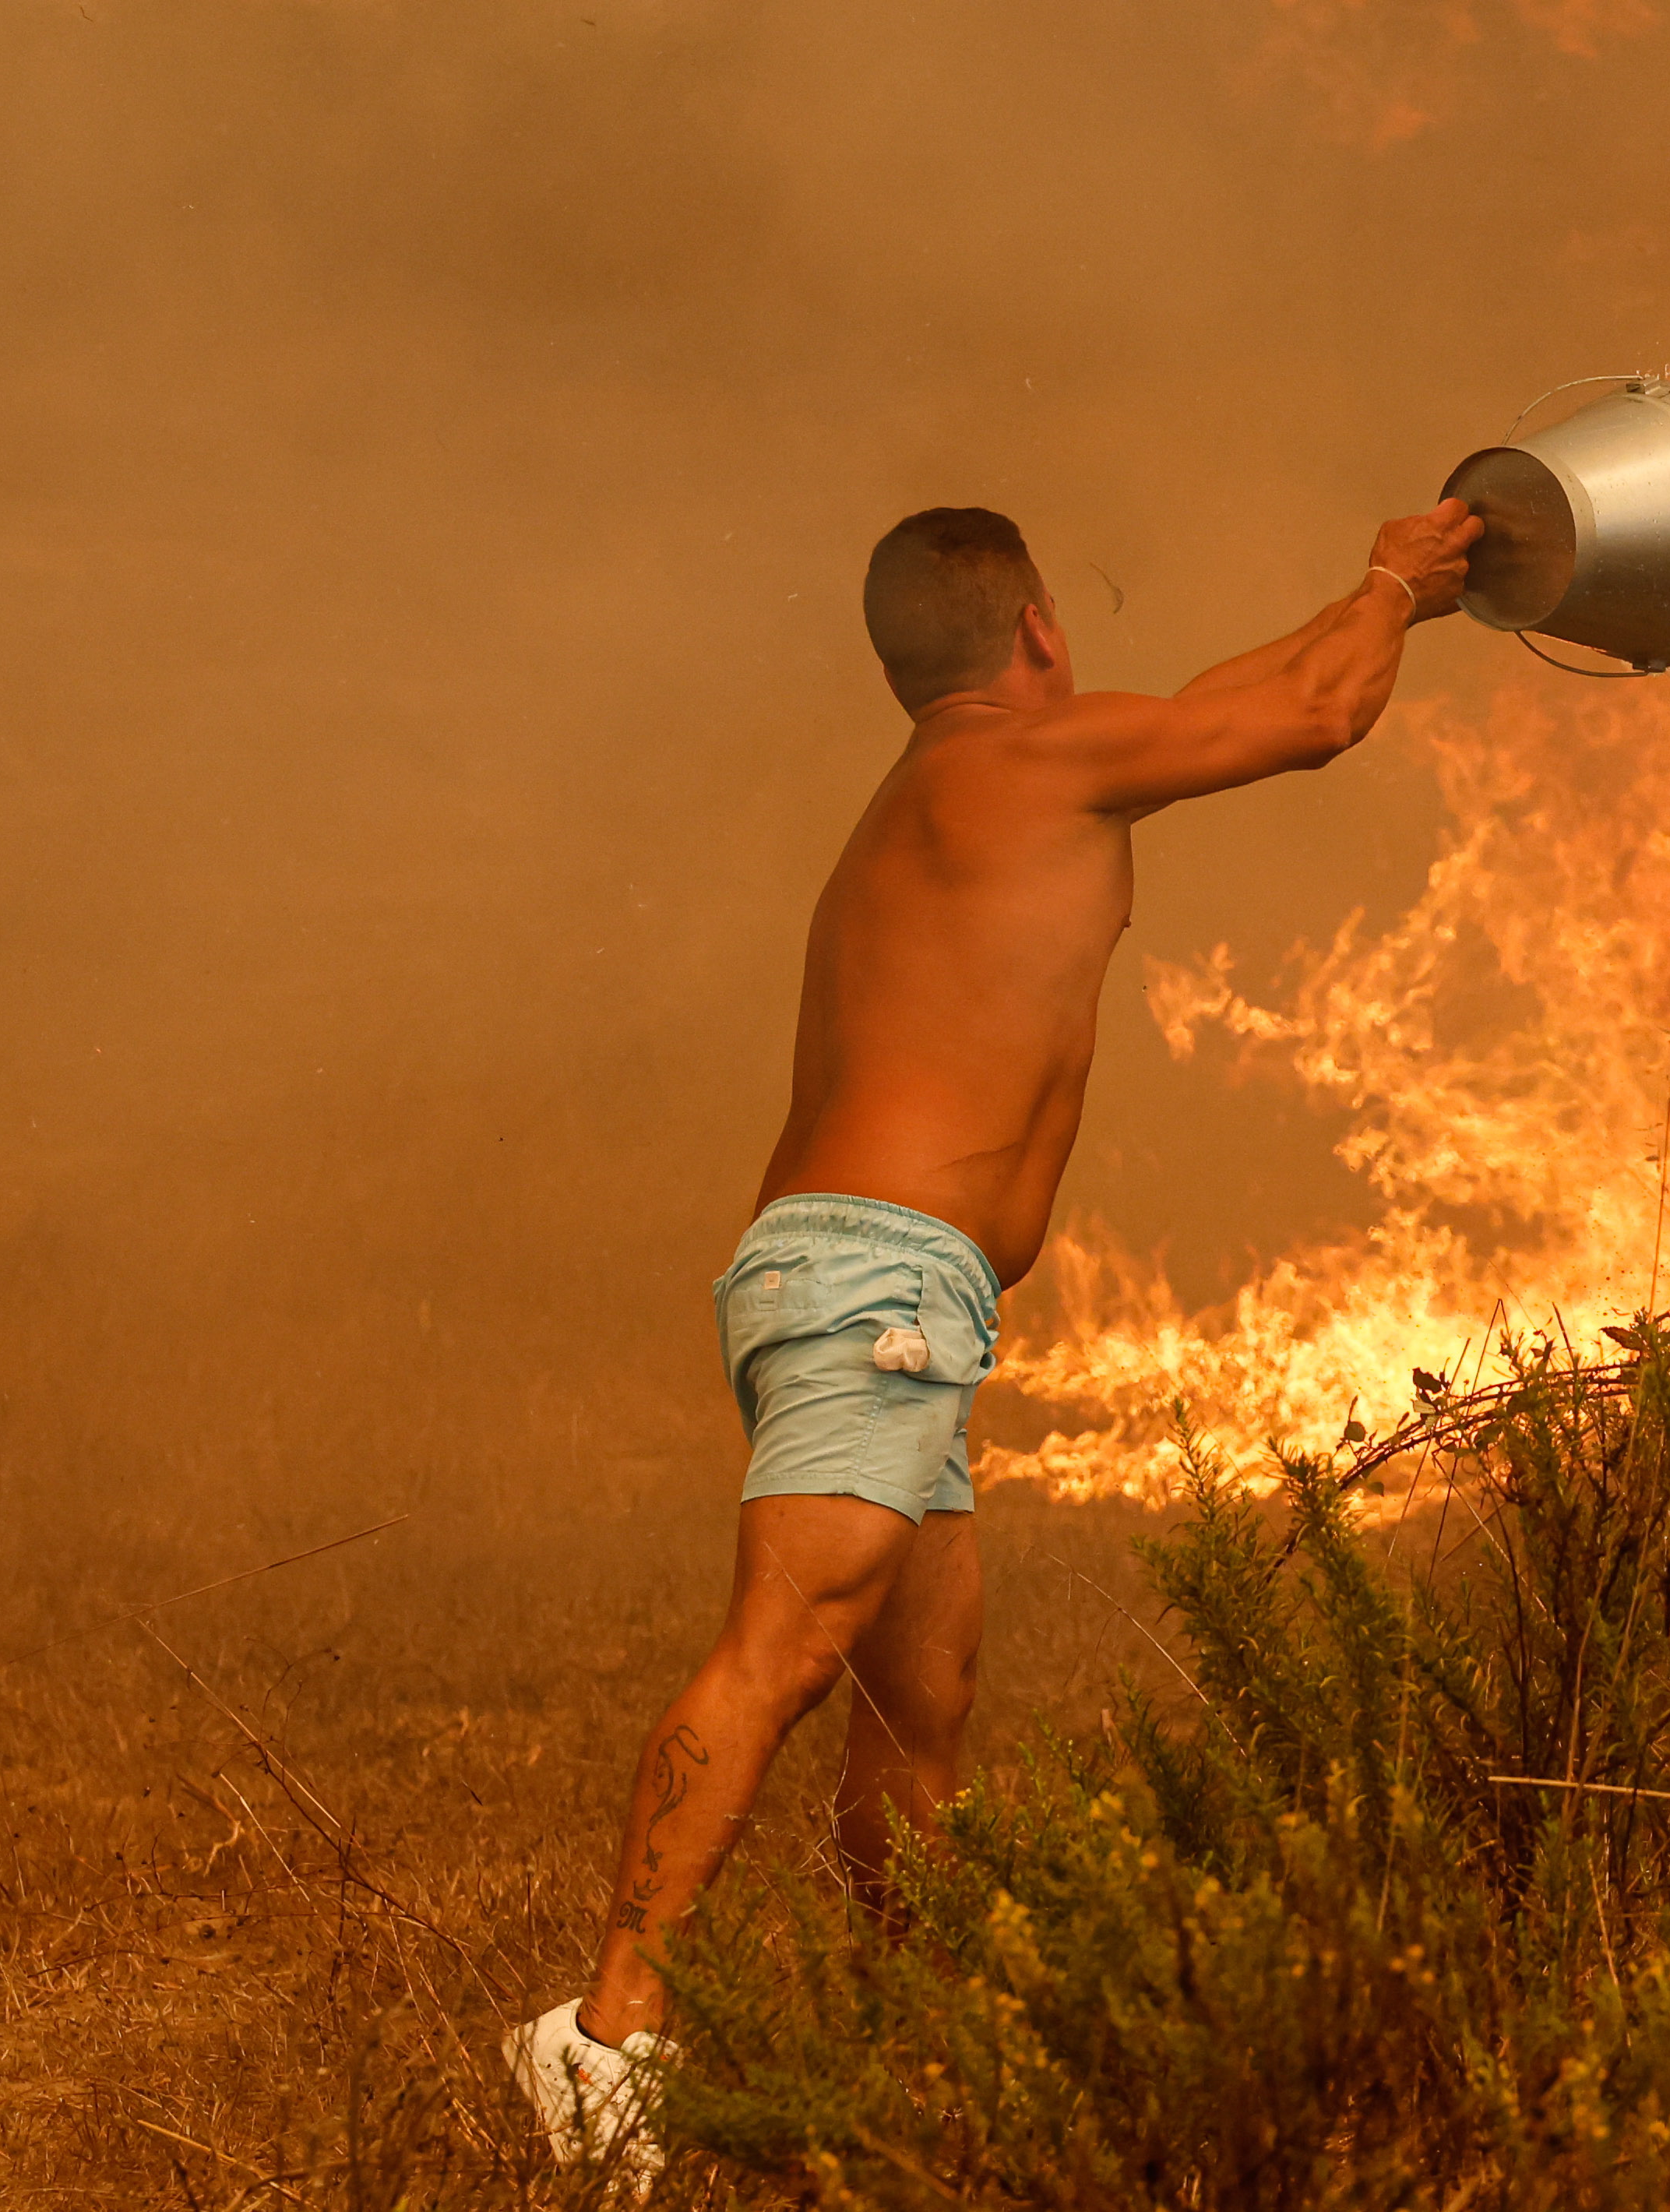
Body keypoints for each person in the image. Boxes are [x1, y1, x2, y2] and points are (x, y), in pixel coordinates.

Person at [503, 495, 1482, 2177]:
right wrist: (1395, 585)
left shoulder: (964, 780)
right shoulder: (1012, 768)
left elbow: (1234, 690)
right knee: (791, 1639)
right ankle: (601, 2041)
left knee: (919, 1699)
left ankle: (915, 2054)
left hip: (895, 1290)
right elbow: (1312, 713)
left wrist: (1383, 594)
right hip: (873, 1282)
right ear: (1041, 629)